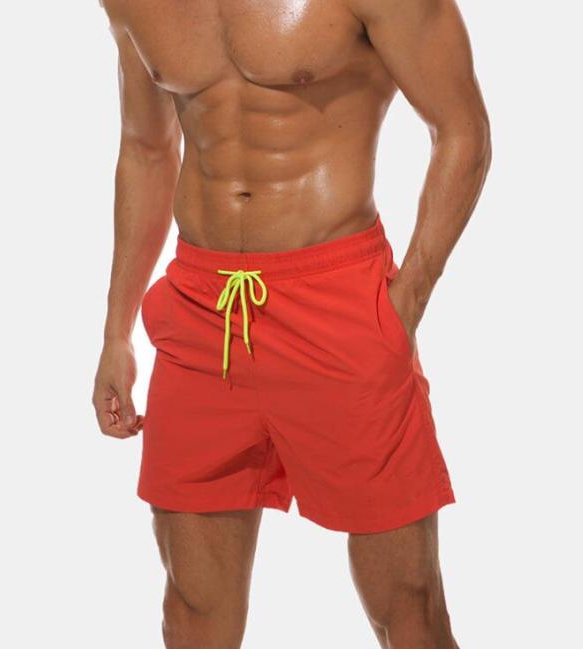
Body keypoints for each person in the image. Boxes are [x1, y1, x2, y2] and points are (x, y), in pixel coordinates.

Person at [92, 0, 490, 646]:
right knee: (192, 609)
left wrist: (404, 304)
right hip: (201, 315)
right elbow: (146, 148)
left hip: (338, 304)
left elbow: (462, 130)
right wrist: (117, 333)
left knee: (409, 608)